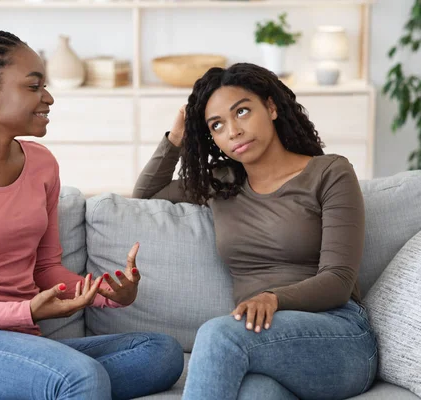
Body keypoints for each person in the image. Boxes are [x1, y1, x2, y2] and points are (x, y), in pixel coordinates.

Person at [0, 29, 183, 400]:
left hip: (21, 344)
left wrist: (107, 293)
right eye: (33, 87)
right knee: (82, 378)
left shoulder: (42, 165)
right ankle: (65, 384)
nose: (48, 98)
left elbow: (46, 269)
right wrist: (24, 311)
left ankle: (48, 385)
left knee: (161, 353)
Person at [133, 63, 378, 400]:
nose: (232, 130)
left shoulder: (330, 172)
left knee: (219, 334)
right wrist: (176, 138)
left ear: (272, 107)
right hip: (261, 338)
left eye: (242, 112)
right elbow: (145, 197)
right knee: (255, 393)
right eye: (216, 125)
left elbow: (338, 280)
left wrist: (272, 298)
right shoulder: (221, 183)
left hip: (337, 334)